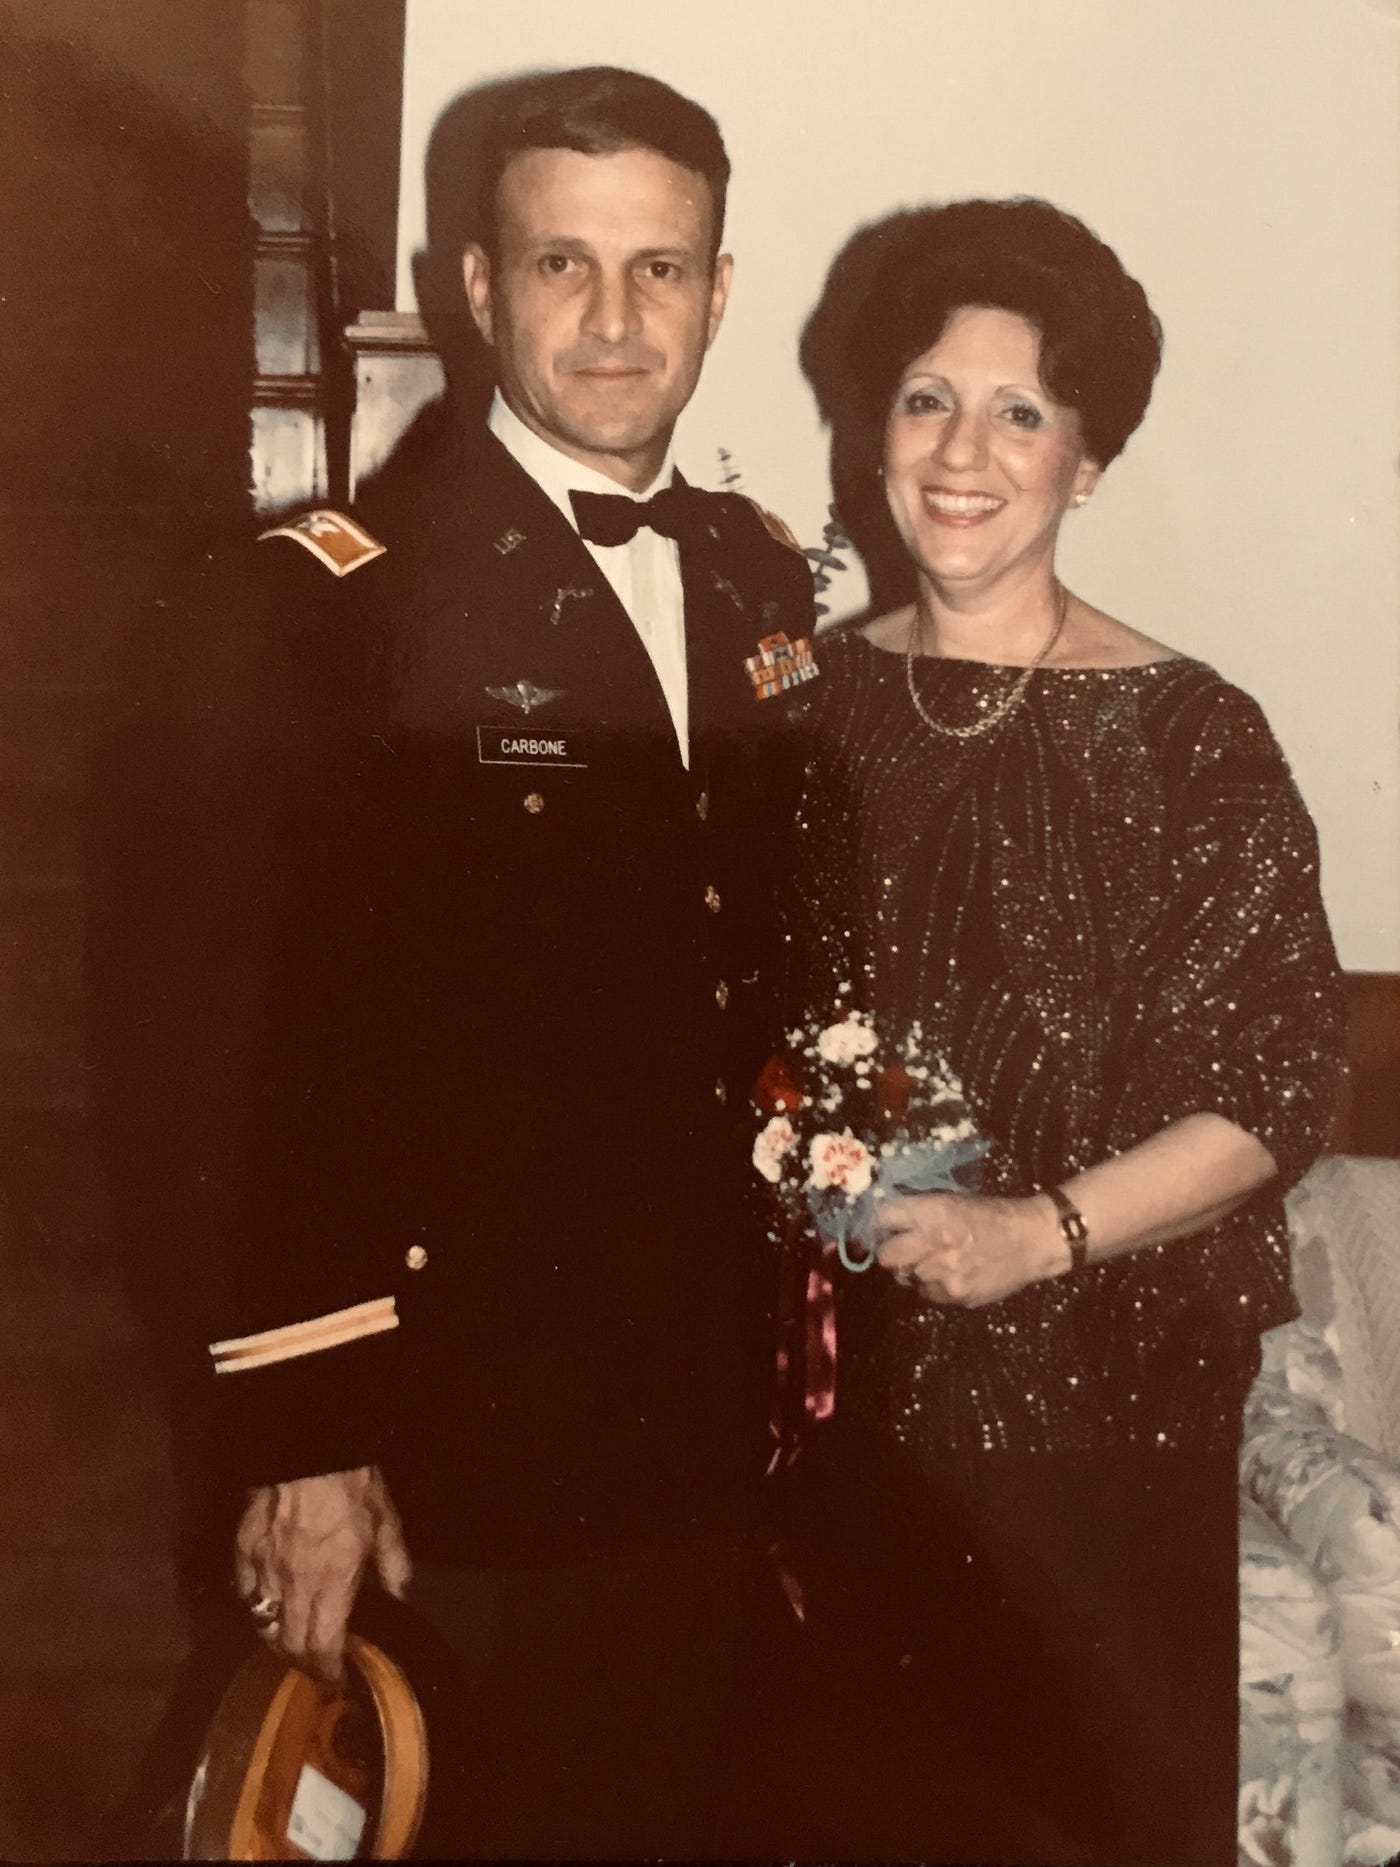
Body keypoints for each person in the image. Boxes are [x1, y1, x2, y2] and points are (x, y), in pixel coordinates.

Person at [112, 66, 816, 1858]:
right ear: (477, 290)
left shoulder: (756, 589)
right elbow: (211, 1059)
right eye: (560, 266)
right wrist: (303, 1439)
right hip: (449, 1441)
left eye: (659, 271)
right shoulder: (311, 615)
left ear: (720, 294)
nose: (611, 318)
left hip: (715, 1427)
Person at [760, 197, 1346, 1866]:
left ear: (1088, 462)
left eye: (1022, 411)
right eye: (926, 398)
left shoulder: (1188, 737)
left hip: (1100, 1430)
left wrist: (1041, 1234)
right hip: (836, 1430)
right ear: (873, 426)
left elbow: (1278, 1085)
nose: (965, 451)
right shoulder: (800, 706)